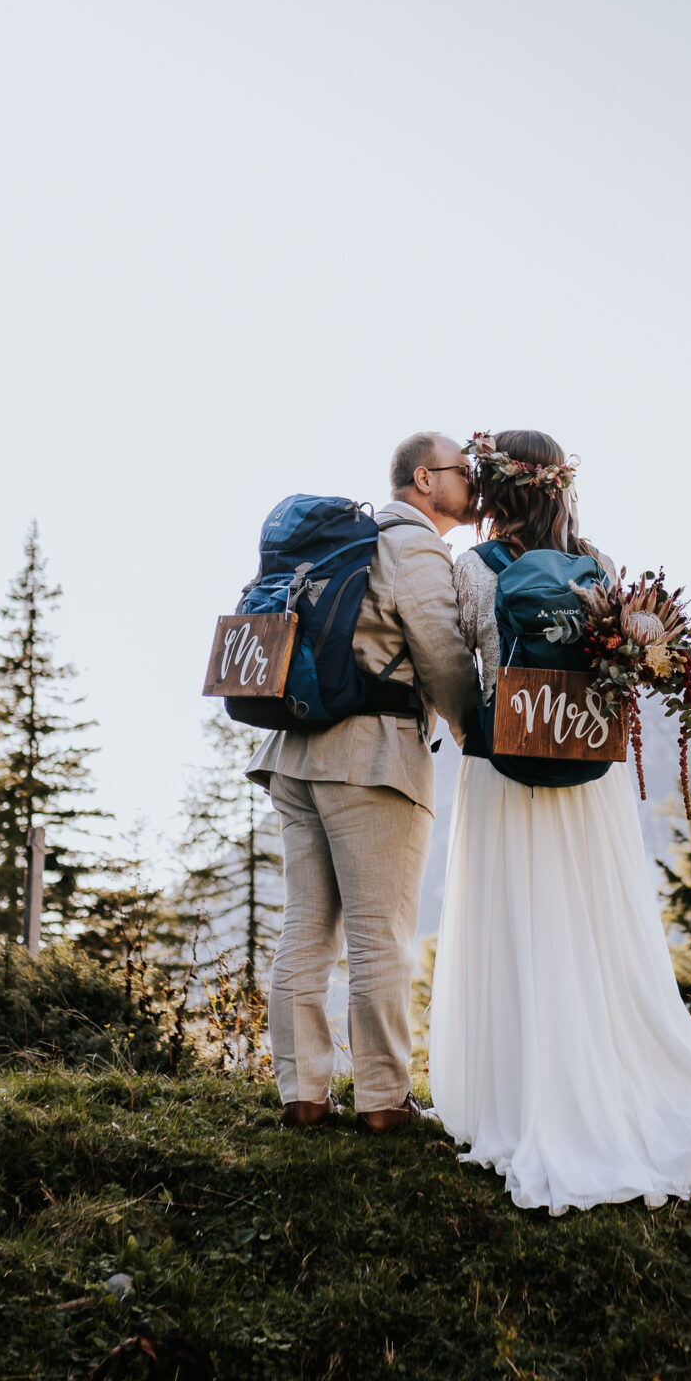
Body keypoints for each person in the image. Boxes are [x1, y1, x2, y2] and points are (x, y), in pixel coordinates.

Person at [430, 428, 691, 1212]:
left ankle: (517, 1092)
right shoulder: (600, 567)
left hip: (503, 766)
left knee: (516, 922)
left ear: (497, 491)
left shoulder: (470, 570)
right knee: (589, 929)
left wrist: (475, 729)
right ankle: (607, 1078)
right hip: (588, 772)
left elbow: (463, 659)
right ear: (559, 486)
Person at [249, 432, 480, 1133]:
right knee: (382, 937)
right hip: (371, 759)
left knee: (306, 930)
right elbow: (440, 653)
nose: (471, 482)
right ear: (422, 477)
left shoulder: (345, 540)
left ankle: (304, 1092)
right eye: (460, 471)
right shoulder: (412, 544)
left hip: (296, 753)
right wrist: (476, 732)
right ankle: (383, 1099)